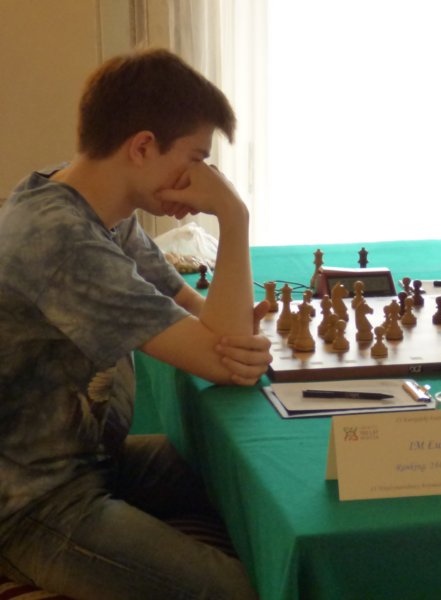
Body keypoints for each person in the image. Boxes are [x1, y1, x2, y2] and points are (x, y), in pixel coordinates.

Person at [0, 49, 272, 598]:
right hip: (34, 502)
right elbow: (224, 361)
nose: (201, 180)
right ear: (143, 146)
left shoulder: (101, 211)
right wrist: (234, 215)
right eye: (196, 159)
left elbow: (211, 326)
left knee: (250, 476)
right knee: (235, 591)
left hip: (93, 461)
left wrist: (233, 339)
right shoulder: (59, 239)